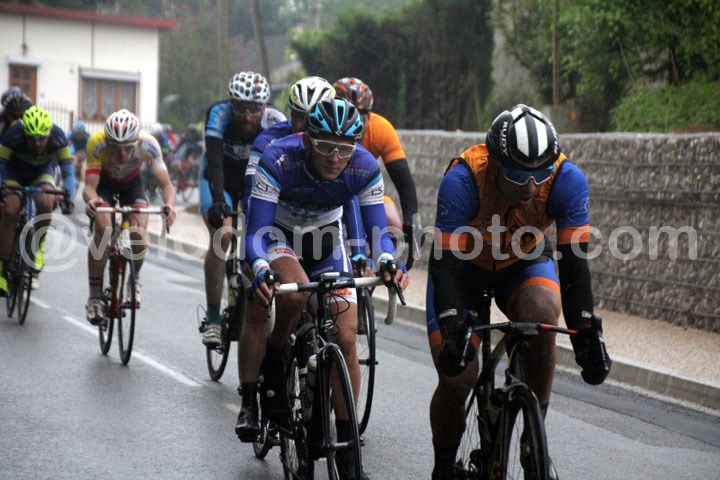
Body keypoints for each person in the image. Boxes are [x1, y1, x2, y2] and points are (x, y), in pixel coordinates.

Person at [426, 104, 612, 480]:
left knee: (543, 317)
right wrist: (451, 327)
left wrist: (585, 338)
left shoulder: (567, 180)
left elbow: (574, 266)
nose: (530, 187)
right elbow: (446, 267)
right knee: (458, 378)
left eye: (540, 175)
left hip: (522, 262)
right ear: (495, 164)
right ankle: (443, 466)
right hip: (464, 271)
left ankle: (533, 438)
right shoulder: (463, 179)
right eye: (517, 175)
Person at [235, 96, 409, 480]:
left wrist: (386, 259)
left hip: (326, 241)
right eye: (327, 147)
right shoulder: (279, 159)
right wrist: (260, 267)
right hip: (278, 236)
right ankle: (275, 355)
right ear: (308, 140)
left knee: (345, 336)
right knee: (295, 294)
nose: (335, 158)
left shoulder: (364, 165)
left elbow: (378, 232)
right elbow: (256, 232)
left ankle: (347, 453)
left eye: (344, 149)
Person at [200, 71, 286, 346]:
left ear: (264, 107)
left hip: (254, 183)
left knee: (260, 236)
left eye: (254, 110)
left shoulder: (275, 119)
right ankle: (213, 318)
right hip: (221, 179)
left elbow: (284, 165)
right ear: (231, 104)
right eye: (240, 109)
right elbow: (214, 161)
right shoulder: (218, 114)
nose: (247, 117)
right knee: (223, 236)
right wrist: (218, 201)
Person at [83, 109, 176, 325]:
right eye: (116, 148)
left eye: (127, 148)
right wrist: (92, 201)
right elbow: (89, 187)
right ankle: (94, 296)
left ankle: (134, 279)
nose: (122, 154)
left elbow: (166, 185)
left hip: (132, 186)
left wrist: (170, 206)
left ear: (136, 142)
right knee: (104, 231)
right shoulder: (97, 143)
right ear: (108, 142)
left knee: (139, 235)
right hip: (104, 185)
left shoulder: (148, 145)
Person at [333, 77, 420, 246]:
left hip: (363, 192)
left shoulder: (381, 130)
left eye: (360, 119)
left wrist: (411, 221)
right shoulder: (320, 132)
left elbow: (404, 182)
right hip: (327, 193)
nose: (352, 127)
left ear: (369, 115)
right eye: (345, 119)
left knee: (393, 225)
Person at [0, 105, 75, 295]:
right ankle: (2, 269)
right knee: (10, 210)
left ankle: (38, 246)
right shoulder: (13, 133)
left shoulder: (58, 137)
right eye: (32, 139)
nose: (37, 143)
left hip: (41, 172)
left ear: (49, 134)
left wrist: (68, 196)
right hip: (13, 172)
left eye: (42, 138)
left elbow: (68, 173)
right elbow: (1, 164)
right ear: (24, 133)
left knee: (47, 202)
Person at [67, 121, 90, 186]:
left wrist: (84, 153)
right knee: (73, 162)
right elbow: (64, 142)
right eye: (77, 133)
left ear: (83, 132)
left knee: (84, 167)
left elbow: (91, 149)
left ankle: (82, 184)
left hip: (84, 152)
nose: (78, 135)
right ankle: (72, 180)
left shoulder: (87, 137)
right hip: (74, 151)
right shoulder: (71, 134)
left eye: (80, 134)